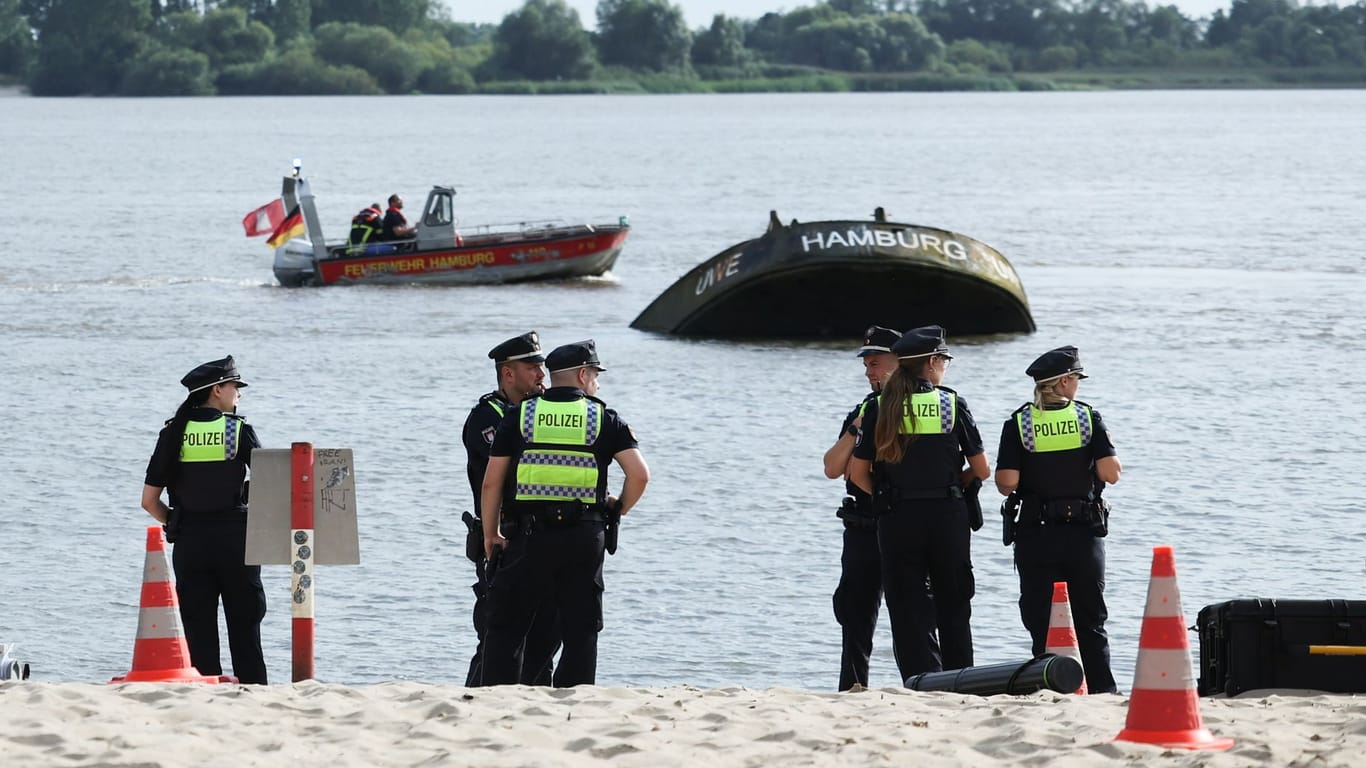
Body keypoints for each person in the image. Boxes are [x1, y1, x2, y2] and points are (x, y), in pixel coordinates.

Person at [480, 340, 649, 687]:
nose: (598, 383)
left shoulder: (520, 415)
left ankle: (496, 699)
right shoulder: (604, 417)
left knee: (507, 626)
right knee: (580, 628)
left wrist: (490, 533)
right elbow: (640, 475)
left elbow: (491, 483)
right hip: (584, 537)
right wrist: (619, 508)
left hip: (528, 537)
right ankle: (575, 700)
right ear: (584, 375)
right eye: (596, 376)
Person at [849, 325, 989, 681]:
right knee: (954, 603)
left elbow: (858, 472)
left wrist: (883, 499)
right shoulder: (952, 403)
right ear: (931, 362)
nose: (945, 366)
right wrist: (961, 481)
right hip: (947, 516)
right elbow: (982, 468)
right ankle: (960, 677)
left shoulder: (880, 407)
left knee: (907, 605)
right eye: (944, 360)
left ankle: (920, 681)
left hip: (898, 518)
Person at [994, 345, 1122, 693]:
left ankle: (1051, 685)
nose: (1078, 385)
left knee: (1042, 619)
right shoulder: (1087, 418)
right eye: (1076, 379)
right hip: (1084, 533)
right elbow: (1111, 474)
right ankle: (1102, 690)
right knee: (1091, 618)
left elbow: (1007, 484)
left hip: (1037, 535)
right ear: (1064, 383)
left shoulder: (1019, 422)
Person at [139, 355, 267, 684]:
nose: (239, 392)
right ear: (216, 390)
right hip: (237, 543)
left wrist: (177, 524)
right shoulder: (234, 430)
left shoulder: (174, 434)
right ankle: (252, 696)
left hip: (191, 543)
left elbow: (149, 501)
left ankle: (206, 696)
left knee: (198, 632)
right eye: (235, 385)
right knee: (245, 629)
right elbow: (271, 490)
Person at [460, 331, 562, 687]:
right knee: (497, 634)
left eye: (542, 367)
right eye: (532, 367)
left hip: (541, 537)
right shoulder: (487, 417)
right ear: (508, 374)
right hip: (503, 538)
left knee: (546, 632)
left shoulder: (540, 413)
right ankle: (474, 702)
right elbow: (506, 474)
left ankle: (535, 699)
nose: (541, 375)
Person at [822, 325, 902, 691]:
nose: (869, 372)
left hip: (903, 525)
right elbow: (832, 467)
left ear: (899, 362)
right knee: (855, 616)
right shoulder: (863, 410)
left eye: (875, 363)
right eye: (867, 365)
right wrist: (855, 430)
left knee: (913, 618)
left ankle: (924, 687)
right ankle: (853, 689)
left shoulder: (920, 407)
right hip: (863, 527)